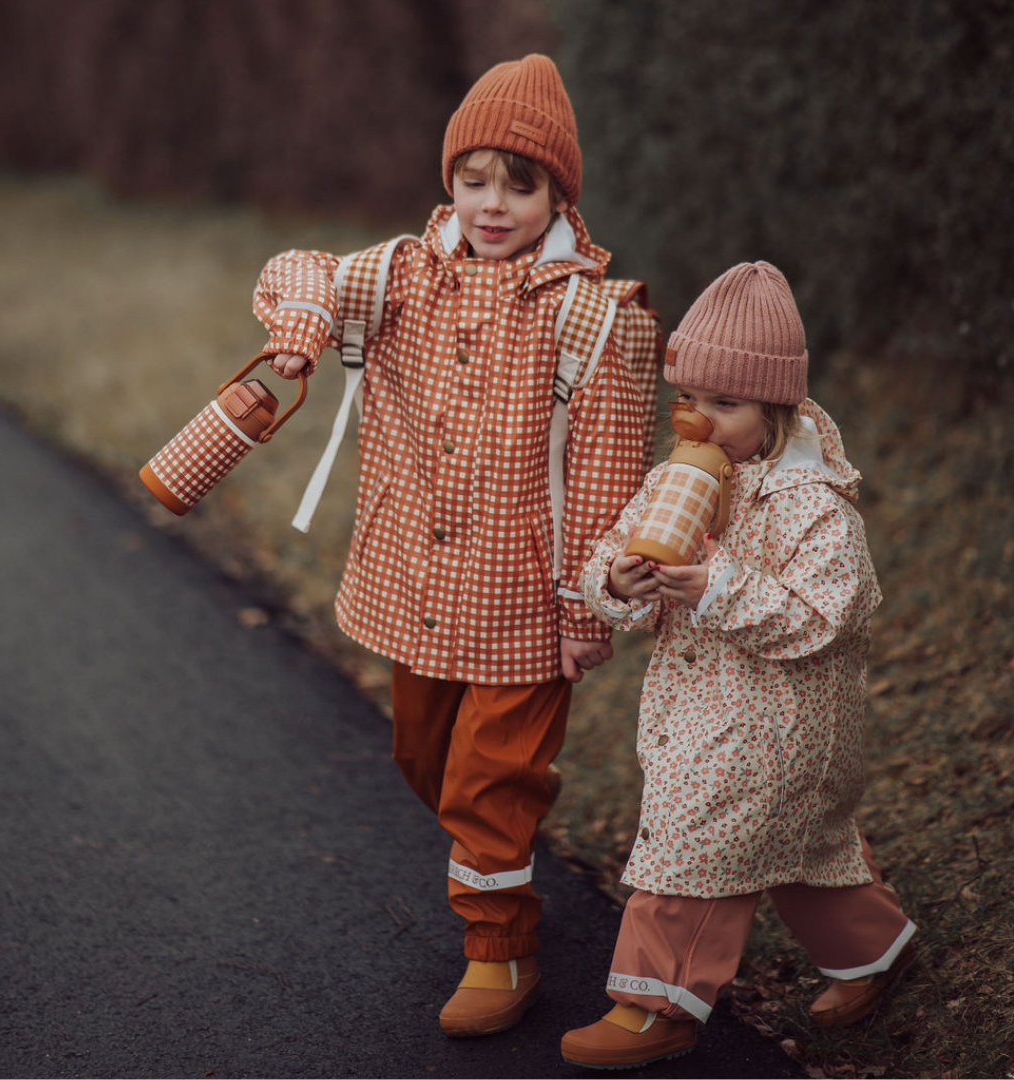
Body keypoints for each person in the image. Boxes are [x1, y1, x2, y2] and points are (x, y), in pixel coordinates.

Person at [251, 55, 648, 1037]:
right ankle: (496, 835)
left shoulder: (594, 318)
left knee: (487, 784)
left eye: (520, 185)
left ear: (558, 196)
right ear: (451, 182)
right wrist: (303, 326)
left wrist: (588, 611)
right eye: (474, 180)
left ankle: (500, 948)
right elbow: (296, 268)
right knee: (423, 756)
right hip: (415, 586)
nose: (493, 204)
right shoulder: (400, 277)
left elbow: (603, 483)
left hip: (525, 600)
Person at [560, 262, 916, 1069]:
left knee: (698, 844)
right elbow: (618, 544)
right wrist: (617, 581)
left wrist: (716, 586)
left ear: (775, 408)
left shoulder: (813, 505)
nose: (700, 420)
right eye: (688, 398)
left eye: (725, 404)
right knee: (799, 856)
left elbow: (824, 617)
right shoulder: (676, 477)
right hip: (698, 712)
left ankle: (655, 1008)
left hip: (782, 727)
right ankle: (876, 948)